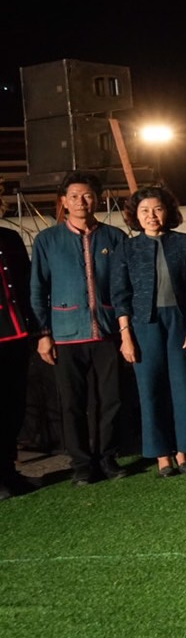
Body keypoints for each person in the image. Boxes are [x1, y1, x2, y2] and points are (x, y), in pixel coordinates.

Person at [31, 172, 128, 486]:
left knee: (111, 398)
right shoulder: (47, 240)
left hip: (108, 330)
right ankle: (82, 464)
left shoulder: (115, 238)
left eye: (87, 195)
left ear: (97, 199)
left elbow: (124, 286)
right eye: (73, 196)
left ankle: (108, 457)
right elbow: (38, 288)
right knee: (72, 401)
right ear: (63, 201)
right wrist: (44, 333)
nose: (80, 202)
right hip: (66, 331)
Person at [110, 186, 186, 477]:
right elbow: (120, 295)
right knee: (150, 389)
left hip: (180, 322)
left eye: (157, 209)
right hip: (143, 324)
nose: (151, 216)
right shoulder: (127, 248)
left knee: (182, 387)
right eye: (144, 211)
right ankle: (162, 455)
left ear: (167, 212)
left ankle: (183, 450)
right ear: (135, 215)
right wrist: (126, 335)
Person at [1, 194, 40, 498]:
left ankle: (8, 471)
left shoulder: (10, 237)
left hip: (16, 335)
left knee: (13, 407)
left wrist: (36, 329)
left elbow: (26, 286)